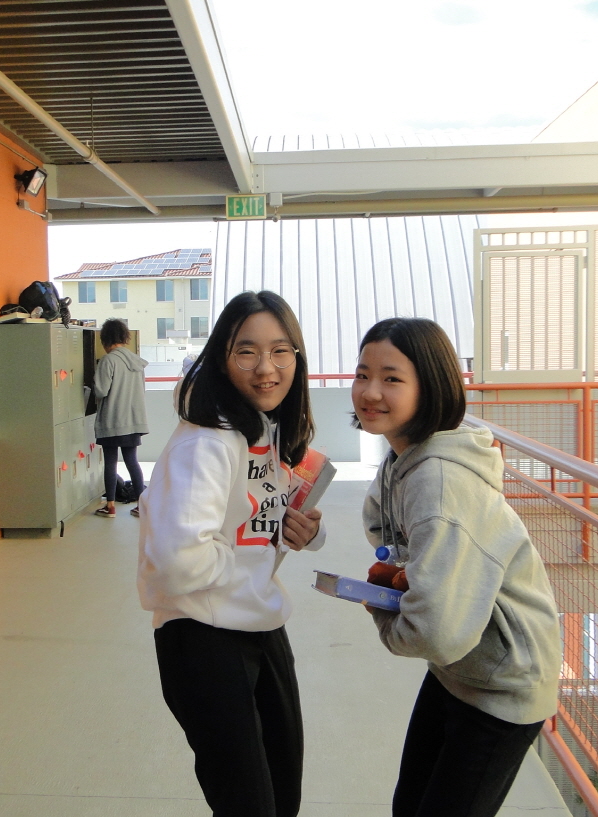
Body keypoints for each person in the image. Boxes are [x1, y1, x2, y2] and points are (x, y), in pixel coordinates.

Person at [352, 317, 561, 817]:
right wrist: (412, 577)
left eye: (392, 378)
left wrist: (386, 613)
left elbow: (438, 633)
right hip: (462, 669)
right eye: (363, 374)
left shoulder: (439, 482)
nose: (371, 391)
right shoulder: (404, 457)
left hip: (504, 682)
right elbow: (383, 527)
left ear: (430, 387)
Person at [137, 290, 324, 817]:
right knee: (249, 803)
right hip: (203, 636)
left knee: (281, 795)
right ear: (222, 358)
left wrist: (296, 530)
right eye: (247, 351)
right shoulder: (207, 442)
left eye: (281, 351)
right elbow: (177, 561)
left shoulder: (263, 428)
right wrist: (238, 561)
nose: (266, 368)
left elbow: (247, 523)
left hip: (259, 624)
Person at [93, 318, 148, 518]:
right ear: (125, 337)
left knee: (110, 462)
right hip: (133, 420)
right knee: (132, 461)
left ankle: (110, 506)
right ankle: (142, 506)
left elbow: (101, 390)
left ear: (105, 339)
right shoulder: (137, 362)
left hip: (113, 420)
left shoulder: (108, 361)